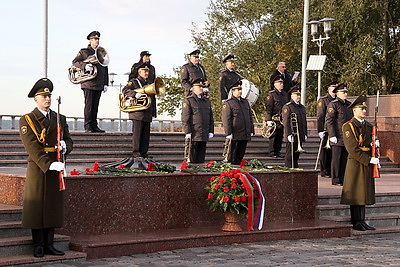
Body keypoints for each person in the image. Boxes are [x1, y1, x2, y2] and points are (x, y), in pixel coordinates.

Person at [19, 78, 73, 257]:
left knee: (52, 206)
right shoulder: (28, 120)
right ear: (35, 99)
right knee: (37, 207)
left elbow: (69, 140)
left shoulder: (59, 118)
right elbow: (32, 147)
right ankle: (38, 245)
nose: (47, 99)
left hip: (56, 166)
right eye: (43, 96)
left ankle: (50, 243)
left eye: (49, 95)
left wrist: (66, 146)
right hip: (39, 167)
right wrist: (49, 164)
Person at [341, 95, 379, 231]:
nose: (364, 111)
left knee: (364, 193)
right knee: (356, 193)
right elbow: (352, 149)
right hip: (356, 163)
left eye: (365, 108)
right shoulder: (348, 126)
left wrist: (375, 146)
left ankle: (362, 220)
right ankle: (356, 221)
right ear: (354, 110)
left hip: (366, 162)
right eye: (361, 109)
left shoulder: (368, 126)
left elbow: (370, 144)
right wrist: (368, 160)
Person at [72, 30, 109, 133]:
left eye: (98, 39)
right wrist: (84, 65)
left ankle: (94, 125)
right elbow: (75, 62)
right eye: (95, 39)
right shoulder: (84, 51)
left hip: (99, 83)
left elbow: (105, 67)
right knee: (89, 105)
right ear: (90, 40)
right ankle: (88, 125)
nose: (97, 41)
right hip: (89, 83)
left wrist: (106, 83)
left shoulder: (101, 52)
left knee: (95, 106)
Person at [122, 65, 156, 169]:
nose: (146, 73)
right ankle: (136, 153)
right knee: (137, 134)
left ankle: (144, 153)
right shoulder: (134, 82)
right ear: (139, 72)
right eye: (144, 71)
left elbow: (153, 100)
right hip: (137, 113)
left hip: (147, 112)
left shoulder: (149, 83)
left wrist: (154, 113)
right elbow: (125, 90)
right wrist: (134, 93)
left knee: (146, 135)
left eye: (147, 71)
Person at [326, 83, 353, 185]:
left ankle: (343, 178)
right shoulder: (333, 104)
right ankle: (336, 179)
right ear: (337, 93)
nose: (345, 94)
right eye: (343, 92)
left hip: (347, 136)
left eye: (346, 92)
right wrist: (332, 135)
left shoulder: (349, 105)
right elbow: (329, 121)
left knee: (344, 158)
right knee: (336, 159)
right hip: (337, 136)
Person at [221, 81, 254, 165]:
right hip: (235, 134)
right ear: (233, 91)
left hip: (244, 133)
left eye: (240, 89)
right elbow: (226, 119)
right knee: (232, 156)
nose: (240, 91)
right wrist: (228, 133)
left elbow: (249, 117)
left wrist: (251, 130)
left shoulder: (245, 102)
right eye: (238, 90)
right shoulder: (228, 103)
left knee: (240, 155)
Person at [181, 80, 214, 163]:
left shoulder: (206, 101)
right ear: (192, 88)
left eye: (202, 87)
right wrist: (187, 132)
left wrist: (211, 130)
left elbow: (210, 117)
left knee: (201, 159)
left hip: (203, 133)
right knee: (192, 159)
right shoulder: (189, 100)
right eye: (199, 87)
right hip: (194, 134)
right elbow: (185, 118)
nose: (201, 88)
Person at [316, 80, 338, 177]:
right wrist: (320, 130)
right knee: (325, 151)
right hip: (326, 128)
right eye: (333, 88)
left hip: (335, 128)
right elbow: (320, 116)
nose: (334, 90)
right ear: (329, 89)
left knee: (332, 151)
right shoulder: (323, 100)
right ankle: (324, 169)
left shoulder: (338, 100)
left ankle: (330, 169)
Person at [281, 86, 307, 168]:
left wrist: (305, 133)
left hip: (299, 134)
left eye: (299, 95)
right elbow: (286, 121)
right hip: (292, 134)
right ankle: (289, 169)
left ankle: (295, 169)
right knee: (289, 155)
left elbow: (304, 122)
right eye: (296, 95)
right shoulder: (288, 106)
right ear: (292, 95)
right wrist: (288, 134)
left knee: (296, 155)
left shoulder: (302, 107)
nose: (298, 96)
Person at [264, 75, 289, 158]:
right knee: (273, 135)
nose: (282, 84)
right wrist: (268, 119)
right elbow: (268, 108)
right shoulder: (271, 95)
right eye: (280, 83)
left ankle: (278, 151)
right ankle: (272, 152)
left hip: (282, 119)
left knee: (280, 135)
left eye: (282, 83)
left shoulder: (285, 94)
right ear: (275, 84)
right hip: (274, 119)